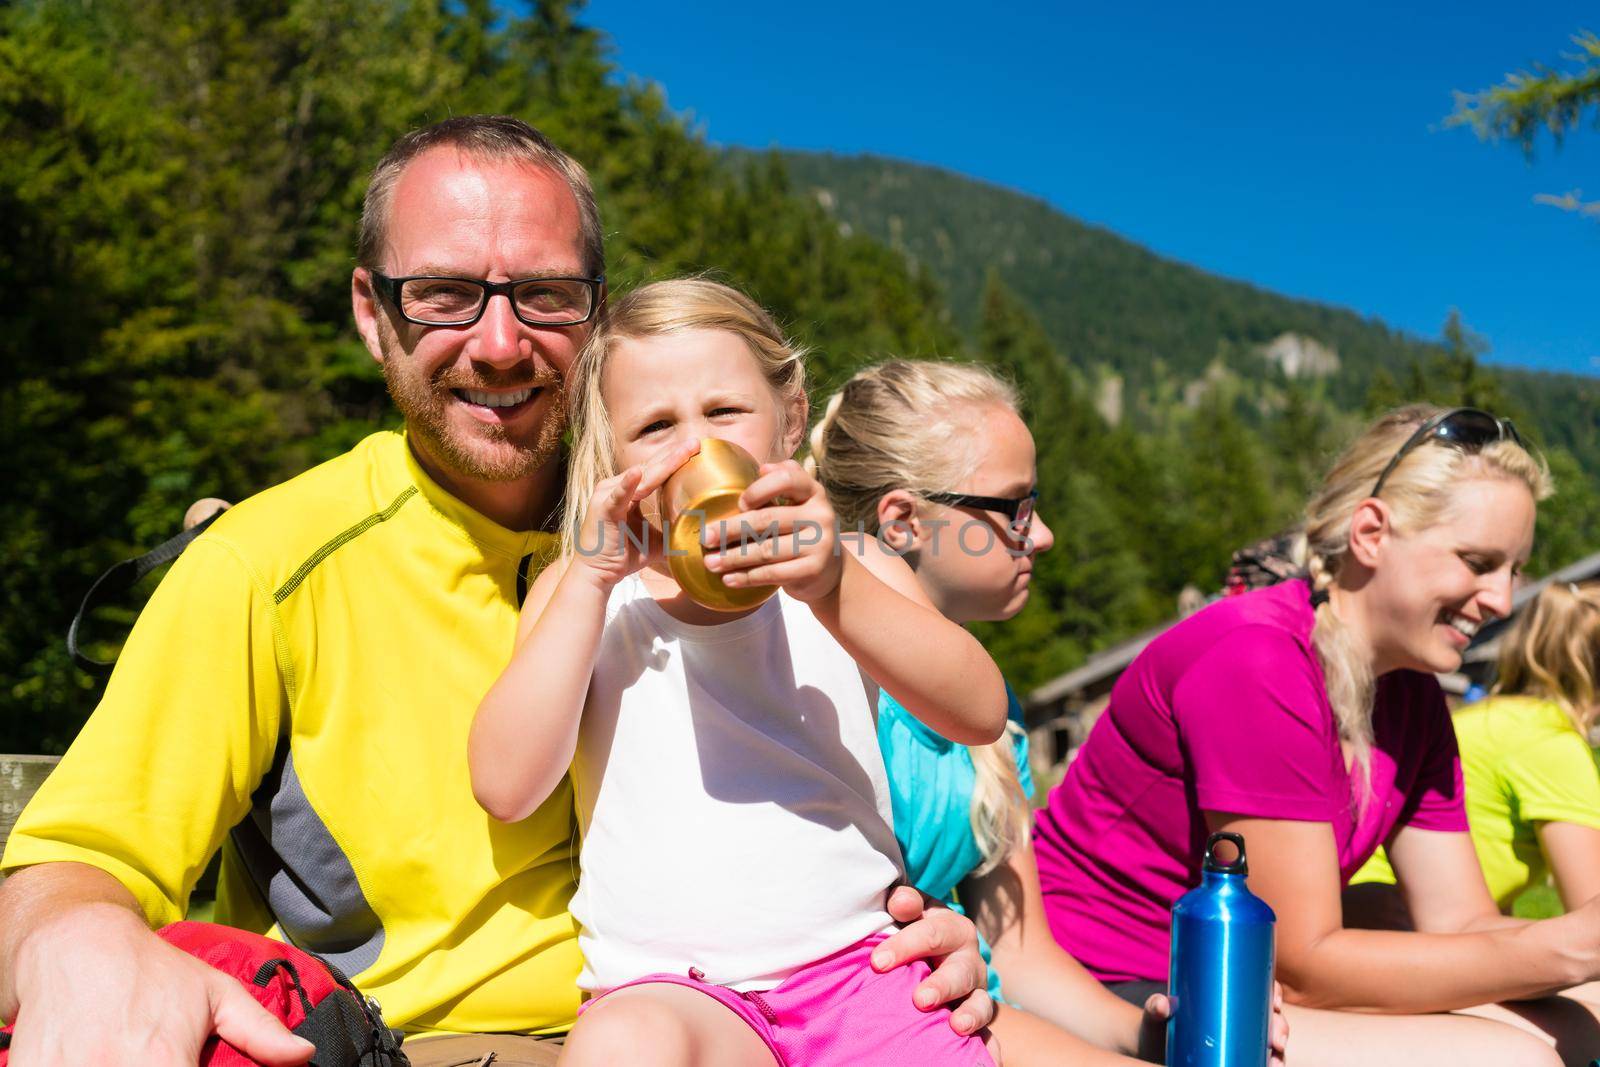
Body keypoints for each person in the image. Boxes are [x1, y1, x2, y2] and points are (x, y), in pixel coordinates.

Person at [0, 117, 996, 1066]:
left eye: (545, 294)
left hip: (774, 1016)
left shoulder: (711, 537)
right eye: (442, 293)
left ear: (596, 318)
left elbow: (898, 740)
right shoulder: (267, 563)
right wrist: (77, 946)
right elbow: (70, 868)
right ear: (369, 313)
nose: (500, 342)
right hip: (434, 1041)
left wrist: (934, 925)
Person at [469, 279, 1007, 1067]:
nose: (693, 447)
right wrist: (587, 579)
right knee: (621, 1045)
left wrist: (833, 586)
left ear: (790, 418)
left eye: (724, 413)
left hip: (859, 969)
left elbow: (979, 708)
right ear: (610, 454)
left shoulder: (851, 567)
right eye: (655, 426)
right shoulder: (588, 594)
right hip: (672, 992)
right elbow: (506, 785)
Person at [1032, 404, 1600, 1066]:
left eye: (1514, 569)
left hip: (1246, 981)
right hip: (1124, 988)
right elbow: (1304, 961)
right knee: (1510, 1058)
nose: (1501, 599)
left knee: (1585, 1016)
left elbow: (1460, 921)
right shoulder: (1258, 658)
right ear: (1370, 533)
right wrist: (1568, 945)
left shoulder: (1411, 694)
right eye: (1478, 561)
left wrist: (1579, 952)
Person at [807, 359, 1287, 1067]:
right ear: (902, 519)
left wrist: (1158, 1032)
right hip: (895, 1021)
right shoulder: (823, 675)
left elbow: (1021, 950)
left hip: (979, 1013)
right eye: (1013, 508)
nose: (1043, 535)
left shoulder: (994, 714)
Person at [1349, 580, 1600, 918]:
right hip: (1395, 917)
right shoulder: (1553, 746)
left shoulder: (1489, 718)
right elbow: (1591, 924)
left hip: (1361, 897)